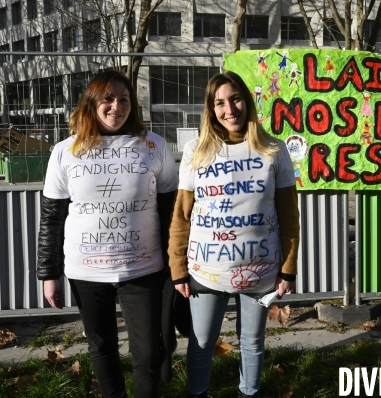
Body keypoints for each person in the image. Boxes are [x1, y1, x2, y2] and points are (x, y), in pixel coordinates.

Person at [36, 70, 178, 398]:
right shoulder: (65, 151)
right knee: (101, 347)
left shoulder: (153, 145)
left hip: (143, 269)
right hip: (85, 270)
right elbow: (52, 218)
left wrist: (176, 264)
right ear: (91, 104)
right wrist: (49, 273)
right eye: (108, 99)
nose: (117, 106)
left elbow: (171, 212)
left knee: (148, 353)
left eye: (124, 99)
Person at [168, 71, 300, 398]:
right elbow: (182, 217)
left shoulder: (273, 149)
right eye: (220, 103)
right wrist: (177, 268)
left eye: (236, 99)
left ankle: (248, 393)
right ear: (211, 110)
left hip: (260, 272)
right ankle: (198, 393)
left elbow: (288, 216)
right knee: (201, 343)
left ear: (248, 101)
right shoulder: (196, 150)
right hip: (205, 272)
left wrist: (288, 268)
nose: (230, 109)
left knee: (252, 342)